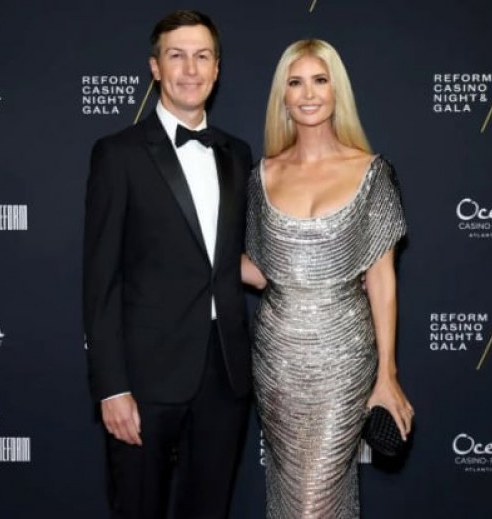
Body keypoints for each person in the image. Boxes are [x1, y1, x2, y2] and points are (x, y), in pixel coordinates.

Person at [83, 10, 253, 519]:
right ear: (155, 67)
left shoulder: (238, 154)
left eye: (203, 56)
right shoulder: (118, 154)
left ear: (217, 68)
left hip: (225, 374)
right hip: (145, 377)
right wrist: (112, 387)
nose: (191, 69)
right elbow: (100, 280)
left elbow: (237, 257)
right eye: (177, 56)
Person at [241, 39, 414, 518]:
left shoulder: (371, 173)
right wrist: (187, 253)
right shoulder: (261, 176)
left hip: (343, 360)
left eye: (320, 80)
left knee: (313, 503)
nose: (309, 93)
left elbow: (382, 280)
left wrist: (387, 374)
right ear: (283, 96)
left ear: (338, 91)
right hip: (277, 362)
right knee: (292, 496)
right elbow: (261, 271)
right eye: (295, 83)